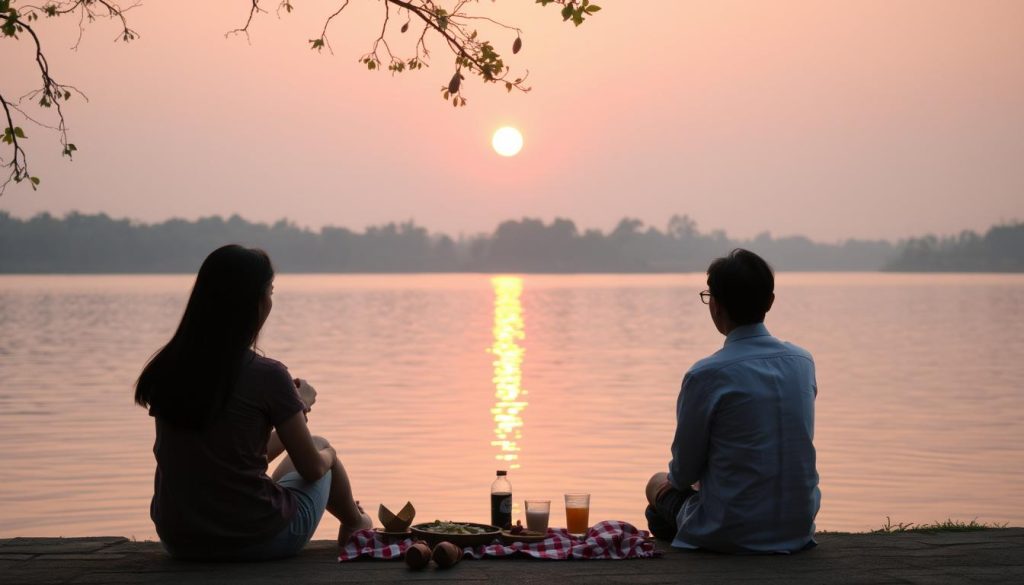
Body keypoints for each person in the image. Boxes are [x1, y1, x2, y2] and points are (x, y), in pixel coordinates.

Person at [134, 244, 372, 561]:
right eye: (269, 291)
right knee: (321, 447)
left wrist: (294, 411)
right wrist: (329, 451)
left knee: (307, 442)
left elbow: (229, 452)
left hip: (181, 541)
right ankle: (357, 524)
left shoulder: (168, 368)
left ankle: (347, 519)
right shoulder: (268, 375)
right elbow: (313, 469)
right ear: (257, 302)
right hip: (257, 540)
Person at [645, 248, 820, 554]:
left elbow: (682, 474)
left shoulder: (706, 375)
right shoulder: (802, 362)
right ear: (770, 301)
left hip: (730, 530)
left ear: (716, 305)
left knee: (656, 487)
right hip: (798, 526)